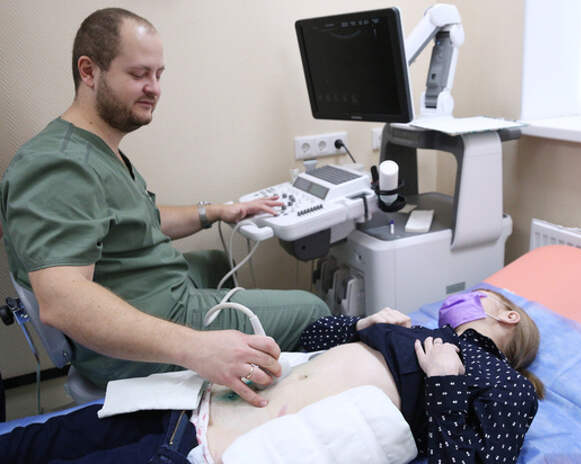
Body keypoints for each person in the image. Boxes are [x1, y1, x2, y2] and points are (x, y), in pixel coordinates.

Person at [0, 7, 329, 407]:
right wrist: (197, 348)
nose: (154, 88)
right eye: (139, 74)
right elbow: (62, 301)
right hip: (133, 344)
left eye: (159, 75)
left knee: (214, 260)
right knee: (313, 308)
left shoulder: (96, 150)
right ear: (89, 72)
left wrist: (218, 211)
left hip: (153, 293)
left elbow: (143, 220)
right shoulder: (59, 167)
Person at [1, 289, 543, 464]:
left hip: (209, 450)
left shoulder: (509, 386)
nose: (458, 299)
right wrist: (359, 324)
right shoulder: (414, 327)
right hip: (195, 400)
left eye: (479, 296)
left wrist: (445, 384)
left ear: (508, 316)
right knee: (38, 441)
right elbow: (309, 339)